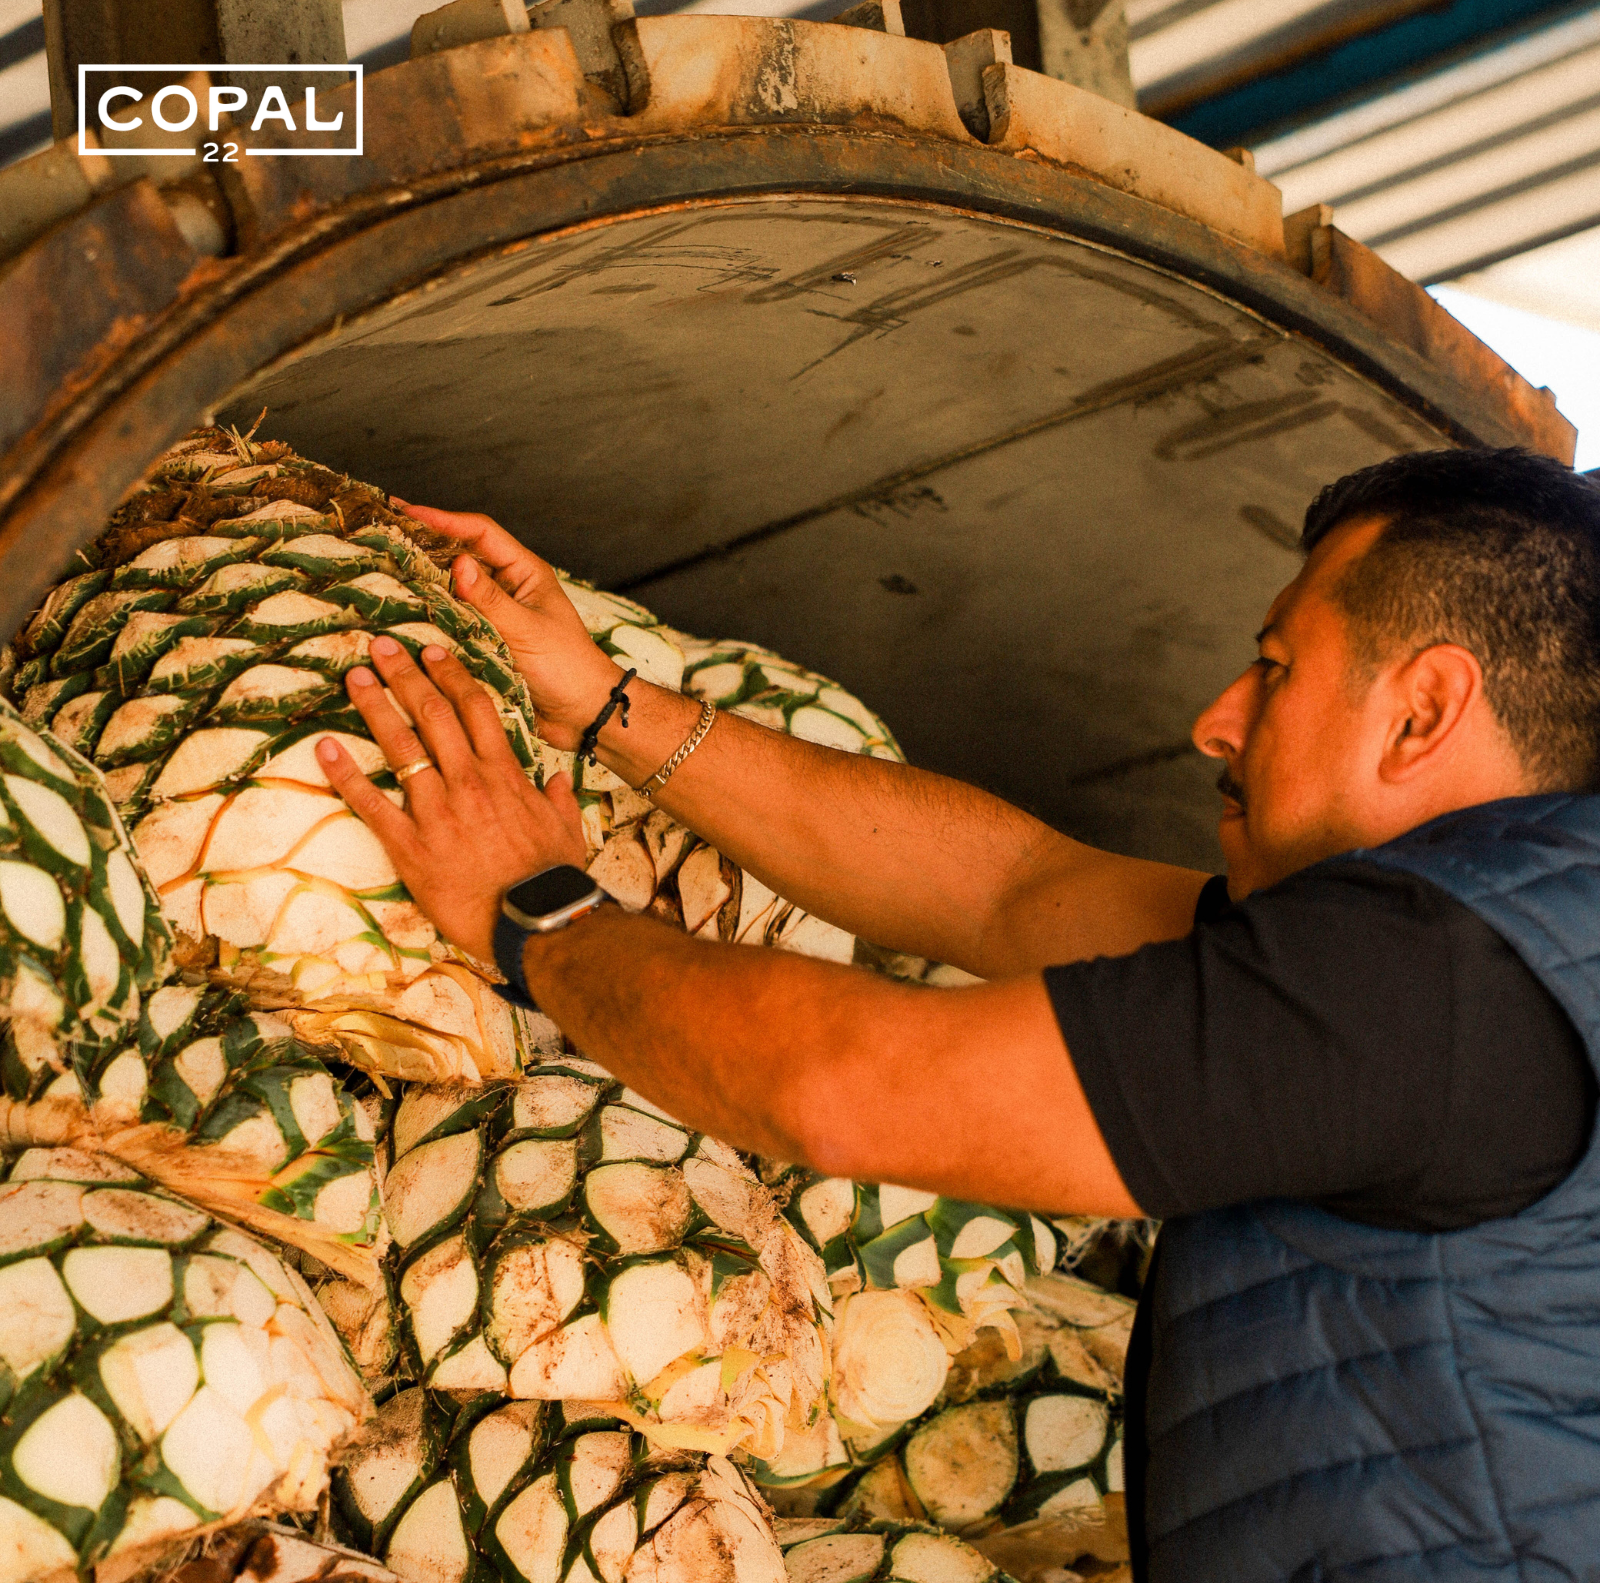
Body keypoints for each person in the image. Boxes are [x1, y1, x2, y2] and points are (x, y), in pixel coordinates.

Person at [314, 447, 1600, 1582]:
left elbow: (848, 1087)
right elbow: (1010, 892)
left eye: (1274, 669)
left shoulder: (1431, 988)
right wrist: (606, 705)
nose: (1215, 721)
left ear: (1422, 709)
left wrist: (534, 913)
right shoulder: (1505, 939)